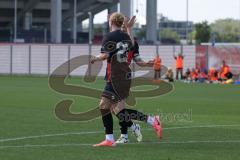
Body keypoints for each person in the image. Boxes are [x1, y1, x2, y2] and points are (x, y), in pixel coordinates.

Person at [91, 12, 162, 147]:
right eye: (124, 23)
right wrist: (146, 63)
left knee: (111, 108)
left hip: (118, 76)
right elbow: (133, 53)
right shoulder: (129, 40)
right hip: (122, 76)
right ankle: (127, 132)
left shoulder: (116, 38)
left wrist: (95, 58)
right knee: (116, 109)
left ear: (111, 22)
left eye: (126, 24)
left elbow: (106, 55)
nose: (125, 25)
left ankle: (147, 123)